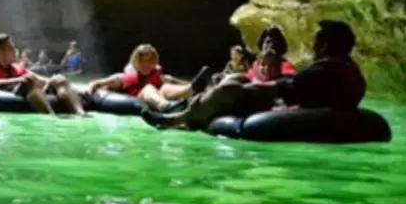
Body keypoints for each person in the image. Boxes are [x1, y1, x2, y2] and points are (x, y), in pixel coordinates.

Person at [141, 20, 367, 130]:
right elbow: (296, 85)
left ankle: (177, 120)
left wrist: (248, 88)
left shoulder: (326, 70)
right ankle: (188, 112)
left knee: (231, 89)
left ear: (325, 45)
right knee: (234, 80)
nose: (312, 46)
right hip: (302, 103)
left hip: (299, 112)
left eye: (316, 41)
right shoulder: (349, 69)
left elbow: (284, 89)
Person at [0, 33, 87, 116]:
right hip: (12, 93)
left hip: (31, 89)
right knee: (28, 81)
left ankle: (80, 113)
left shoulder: (17, 68)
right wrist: (18, 80)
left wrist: (54, 81)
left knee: (59, 79)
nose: (14, 50)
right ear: (0, 52)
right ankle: (51, 115)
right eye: (11, 47)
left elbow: (41, 80)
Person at [86, 44, 209, 112]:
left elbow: (180, 83)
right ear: (136, 61)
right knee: (149, 88)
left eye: (150, 61)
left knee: (166, 86)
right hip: (140, 98)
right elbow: (98, 83)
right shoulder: (122, 78)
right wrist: (89, 90)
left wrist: (191, 86)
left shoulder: (160, 77)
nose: (146, 65)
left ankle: (191, 92)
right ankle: (164, 106)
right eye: (142, 61)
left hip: (160, 94)